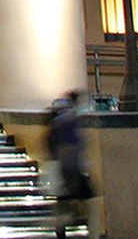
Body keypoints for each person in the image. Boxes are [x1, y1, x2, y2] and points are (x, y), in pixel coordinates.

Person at [46, 91, 94, 238]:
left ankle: (63, 226)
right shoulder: (70, 121)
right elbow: (77, 145)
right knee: (80, 200)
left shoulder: (59, 123)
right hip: (70, 165)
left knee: (65, 201)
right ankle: (75, 223)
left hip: (62, 165)